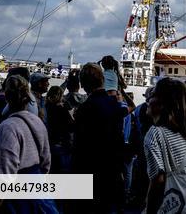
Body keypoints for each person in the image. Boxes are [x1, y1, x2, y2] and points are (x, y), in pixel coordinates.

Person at [0, 75, 56, 212]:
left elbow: (6, 170)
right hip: (38, 195)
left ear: (7, 97)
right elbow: (46, 161)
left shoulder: (8, 127)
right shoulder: (38, 122)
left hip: (15, 200)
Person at [71, 62, 128, 213]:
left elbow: (79, 147)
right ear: (102, 80)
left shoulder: (84, 109)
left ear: (83, 84)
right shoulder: (116, 105)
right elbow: (119, 139)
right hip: (112, 171)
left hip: (89, 171)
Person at [144, 77, 186, 214]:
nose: (148, 101)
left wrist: (149, 210)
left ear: (162, 104)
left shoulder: (155, 134)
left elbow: (158, 181)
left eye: (152, 95)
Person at [44, 85, 72, 173]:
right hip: (62, 144)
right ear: (60, 96)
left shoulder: (46, 107)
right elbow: (71, 126)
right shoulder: (62, 109)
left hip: (50, 142)